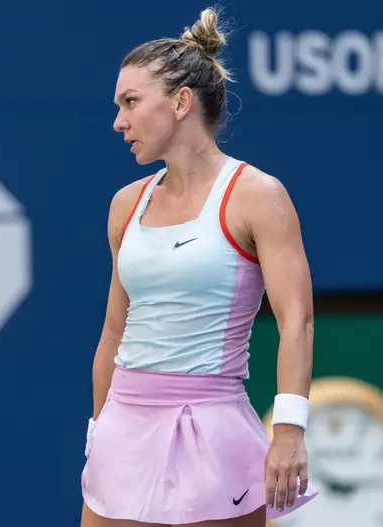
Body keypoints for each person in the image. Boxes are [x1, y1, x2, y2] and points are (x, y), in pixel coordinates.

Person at [81, 6, 318, 527]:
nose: (118, 120)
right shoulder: (126, 204)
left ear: (181, 103)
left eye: (130, 102)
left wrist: (289, 430)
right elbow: (113, 333)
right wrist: (99, 431)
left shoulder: (258, 197)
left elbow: (296, 320)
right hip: (123, 430)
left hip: (214, 433)